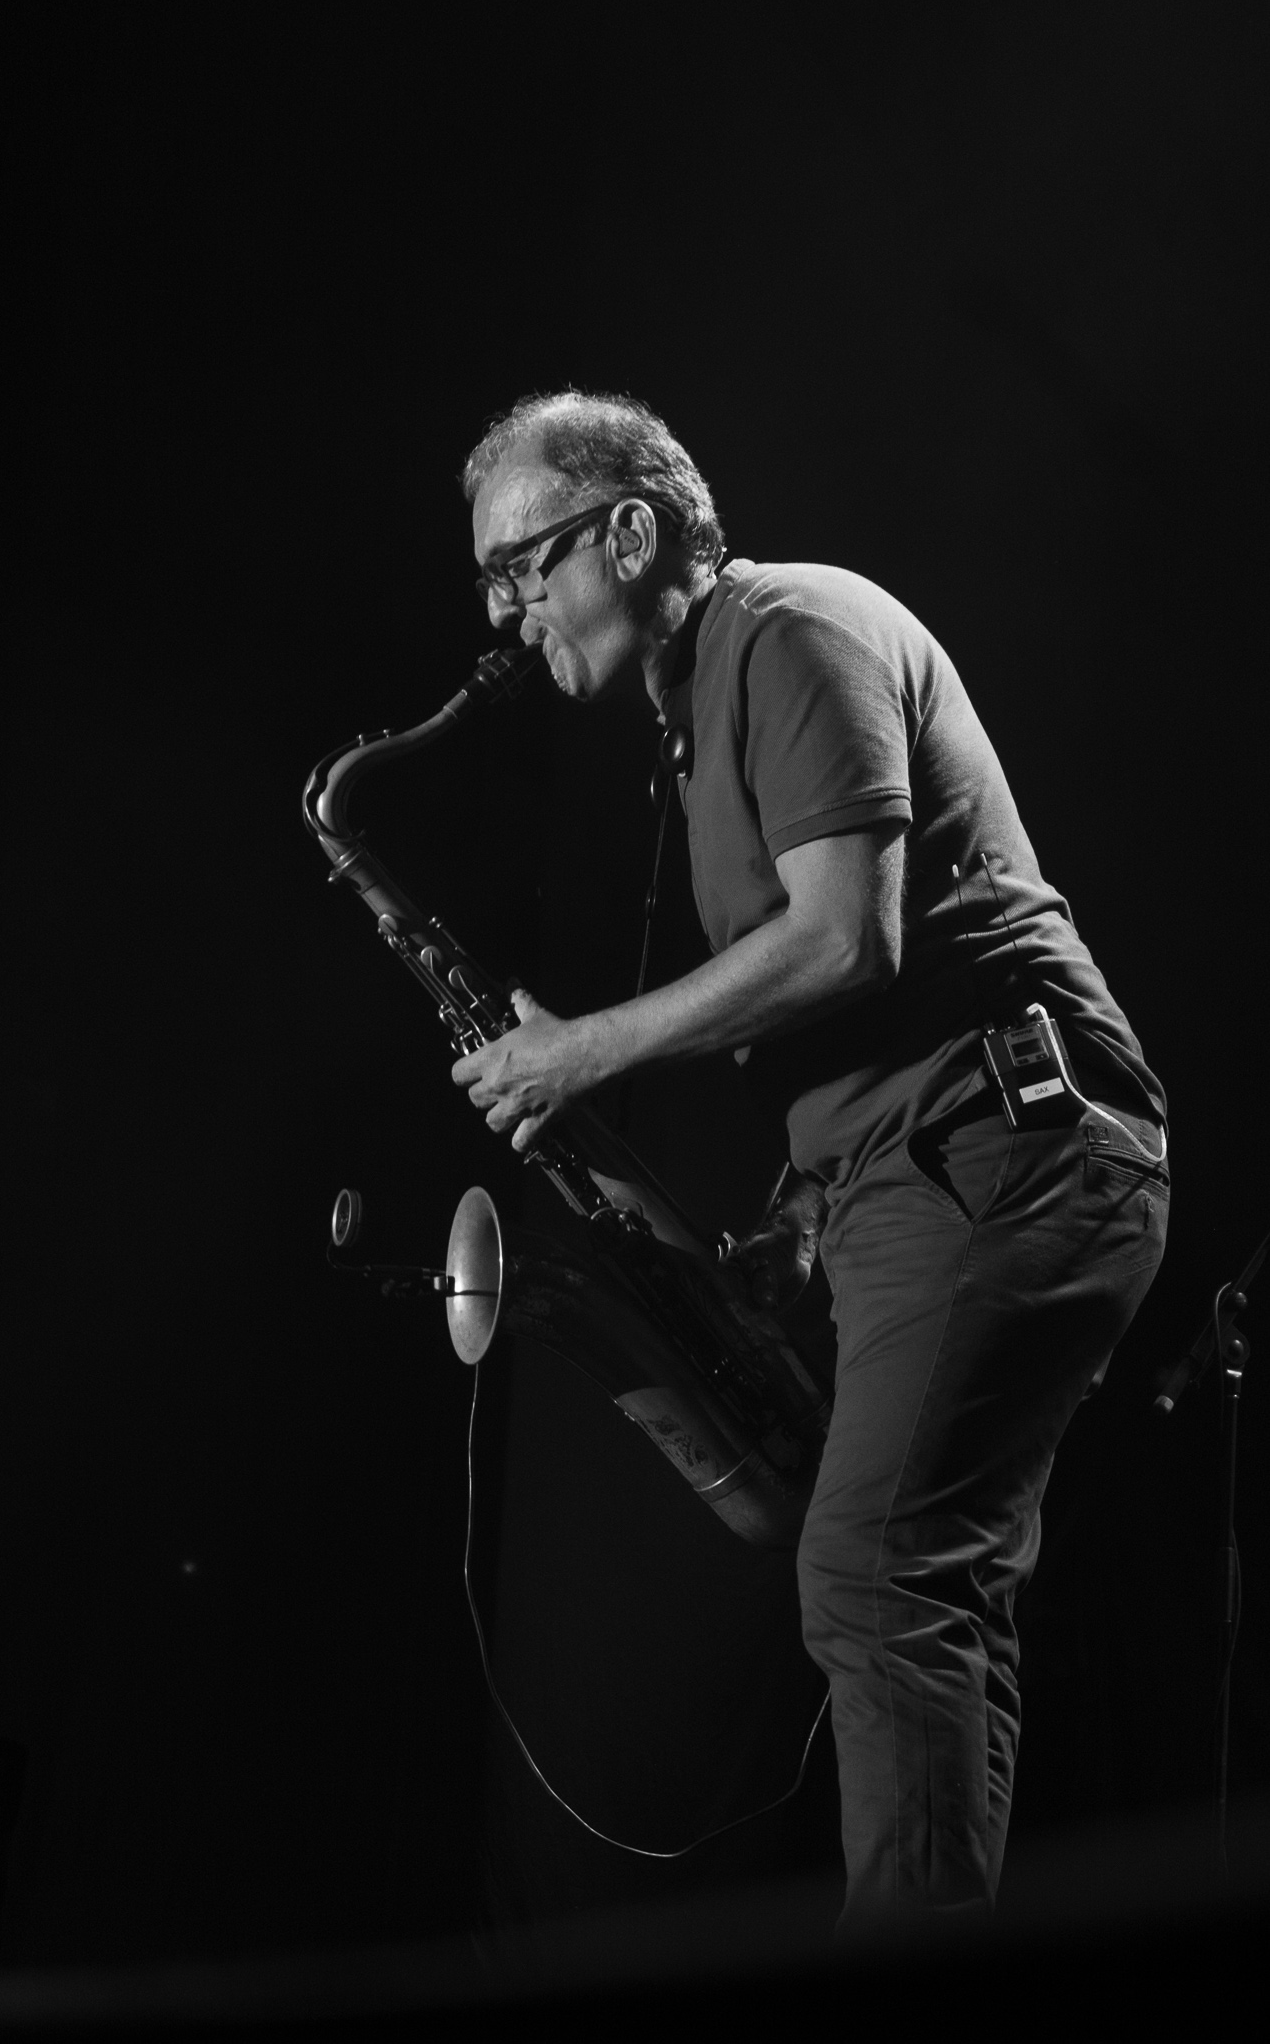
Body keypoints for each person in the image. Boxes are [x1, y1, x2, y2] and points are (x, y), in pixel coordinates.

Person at [451, 390, 1168, 1921]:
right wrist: (793, 1223)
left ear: (628, 532)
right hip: (928, 1164)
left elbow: (848, 938)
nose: (505, 615)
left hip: (1008, 1144)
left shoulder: (789, 628)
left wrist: (584, 1050)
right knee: (911, 1591)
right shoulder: (698, 705)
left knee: (876, 1572)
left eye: (520, 566)